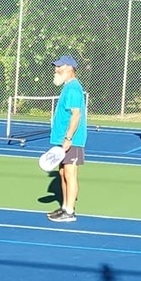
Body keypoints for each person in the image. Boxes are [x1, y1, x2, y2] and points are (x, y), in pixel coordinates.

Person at [47, 55, 87, 223]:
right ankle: (64, 207)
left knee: (70, 172)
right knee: (62, 172)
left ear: (70, 68)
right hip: (61, 139)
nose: (56, 69)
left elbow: (76, 115)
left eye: (60, 67)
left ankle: (69, 211)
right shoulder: (67, 87)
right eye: (56, 67)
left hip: (71, 140)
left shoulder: (73, 88)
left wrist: (69, 138)